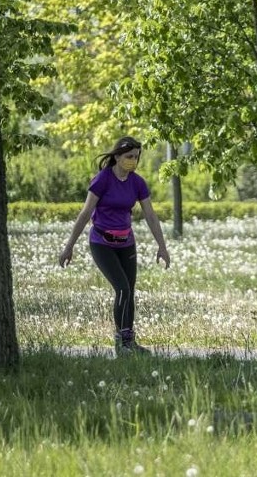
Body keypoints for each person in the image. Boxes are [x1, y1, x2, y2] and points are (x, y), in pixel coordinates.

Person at [59, 137, 170, 356]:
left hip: (126, 243)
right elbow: (85, 213)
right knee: (122, 288)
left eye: (136, 157)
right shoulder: (103, 180)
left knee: (129, 292)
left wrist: (162, 246)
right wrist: (69, 246)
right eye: (129, 156)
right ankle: (121, 342)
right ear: (117, 157)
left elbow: (150, 215)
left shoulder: (137, 182)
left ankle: (129, 342)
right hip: (102, 243)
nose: (133, 160)